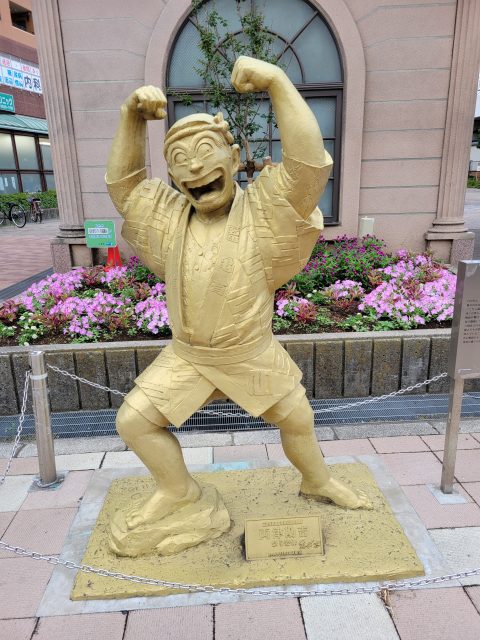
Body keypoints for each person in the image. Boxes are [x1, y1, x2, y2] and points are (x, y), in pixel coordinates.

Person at [106, 56, 371, 532]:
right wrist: (130, 118)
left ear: (232, 158)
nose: (194, 166)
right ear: (173, 178)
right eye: (179, 160)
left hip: (249, 351)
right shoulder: (168, 219)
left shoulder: (263, 210)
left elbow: (308, 167)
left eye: (206, 151)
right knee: (134, 422)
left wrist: (277, 82)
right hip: (189, 355)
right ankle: (178, 490)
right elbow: (126, 189)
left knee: (297, 419)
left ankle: (317, 480)